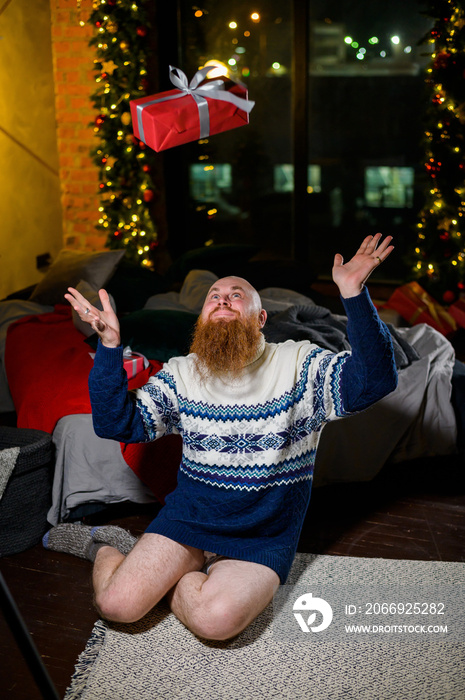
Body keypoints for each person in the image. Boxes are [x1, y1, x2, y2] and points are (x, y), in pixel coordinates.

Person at [44, 234, 397, 641]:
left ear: (260, 320)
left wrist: (353, 294)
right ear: (203, 317)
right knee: (116, 607)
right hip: (189, 521)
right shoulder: (182, 373)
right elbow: (117, 424)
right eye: (214, 296)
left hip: (261, 535)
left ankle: (166, 575)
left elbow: (373, 381)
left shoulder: (299, 365)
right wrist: (109, 347)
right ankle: (106, 545)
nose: (223, 299)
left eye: (237, 295)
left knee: (216, 622)